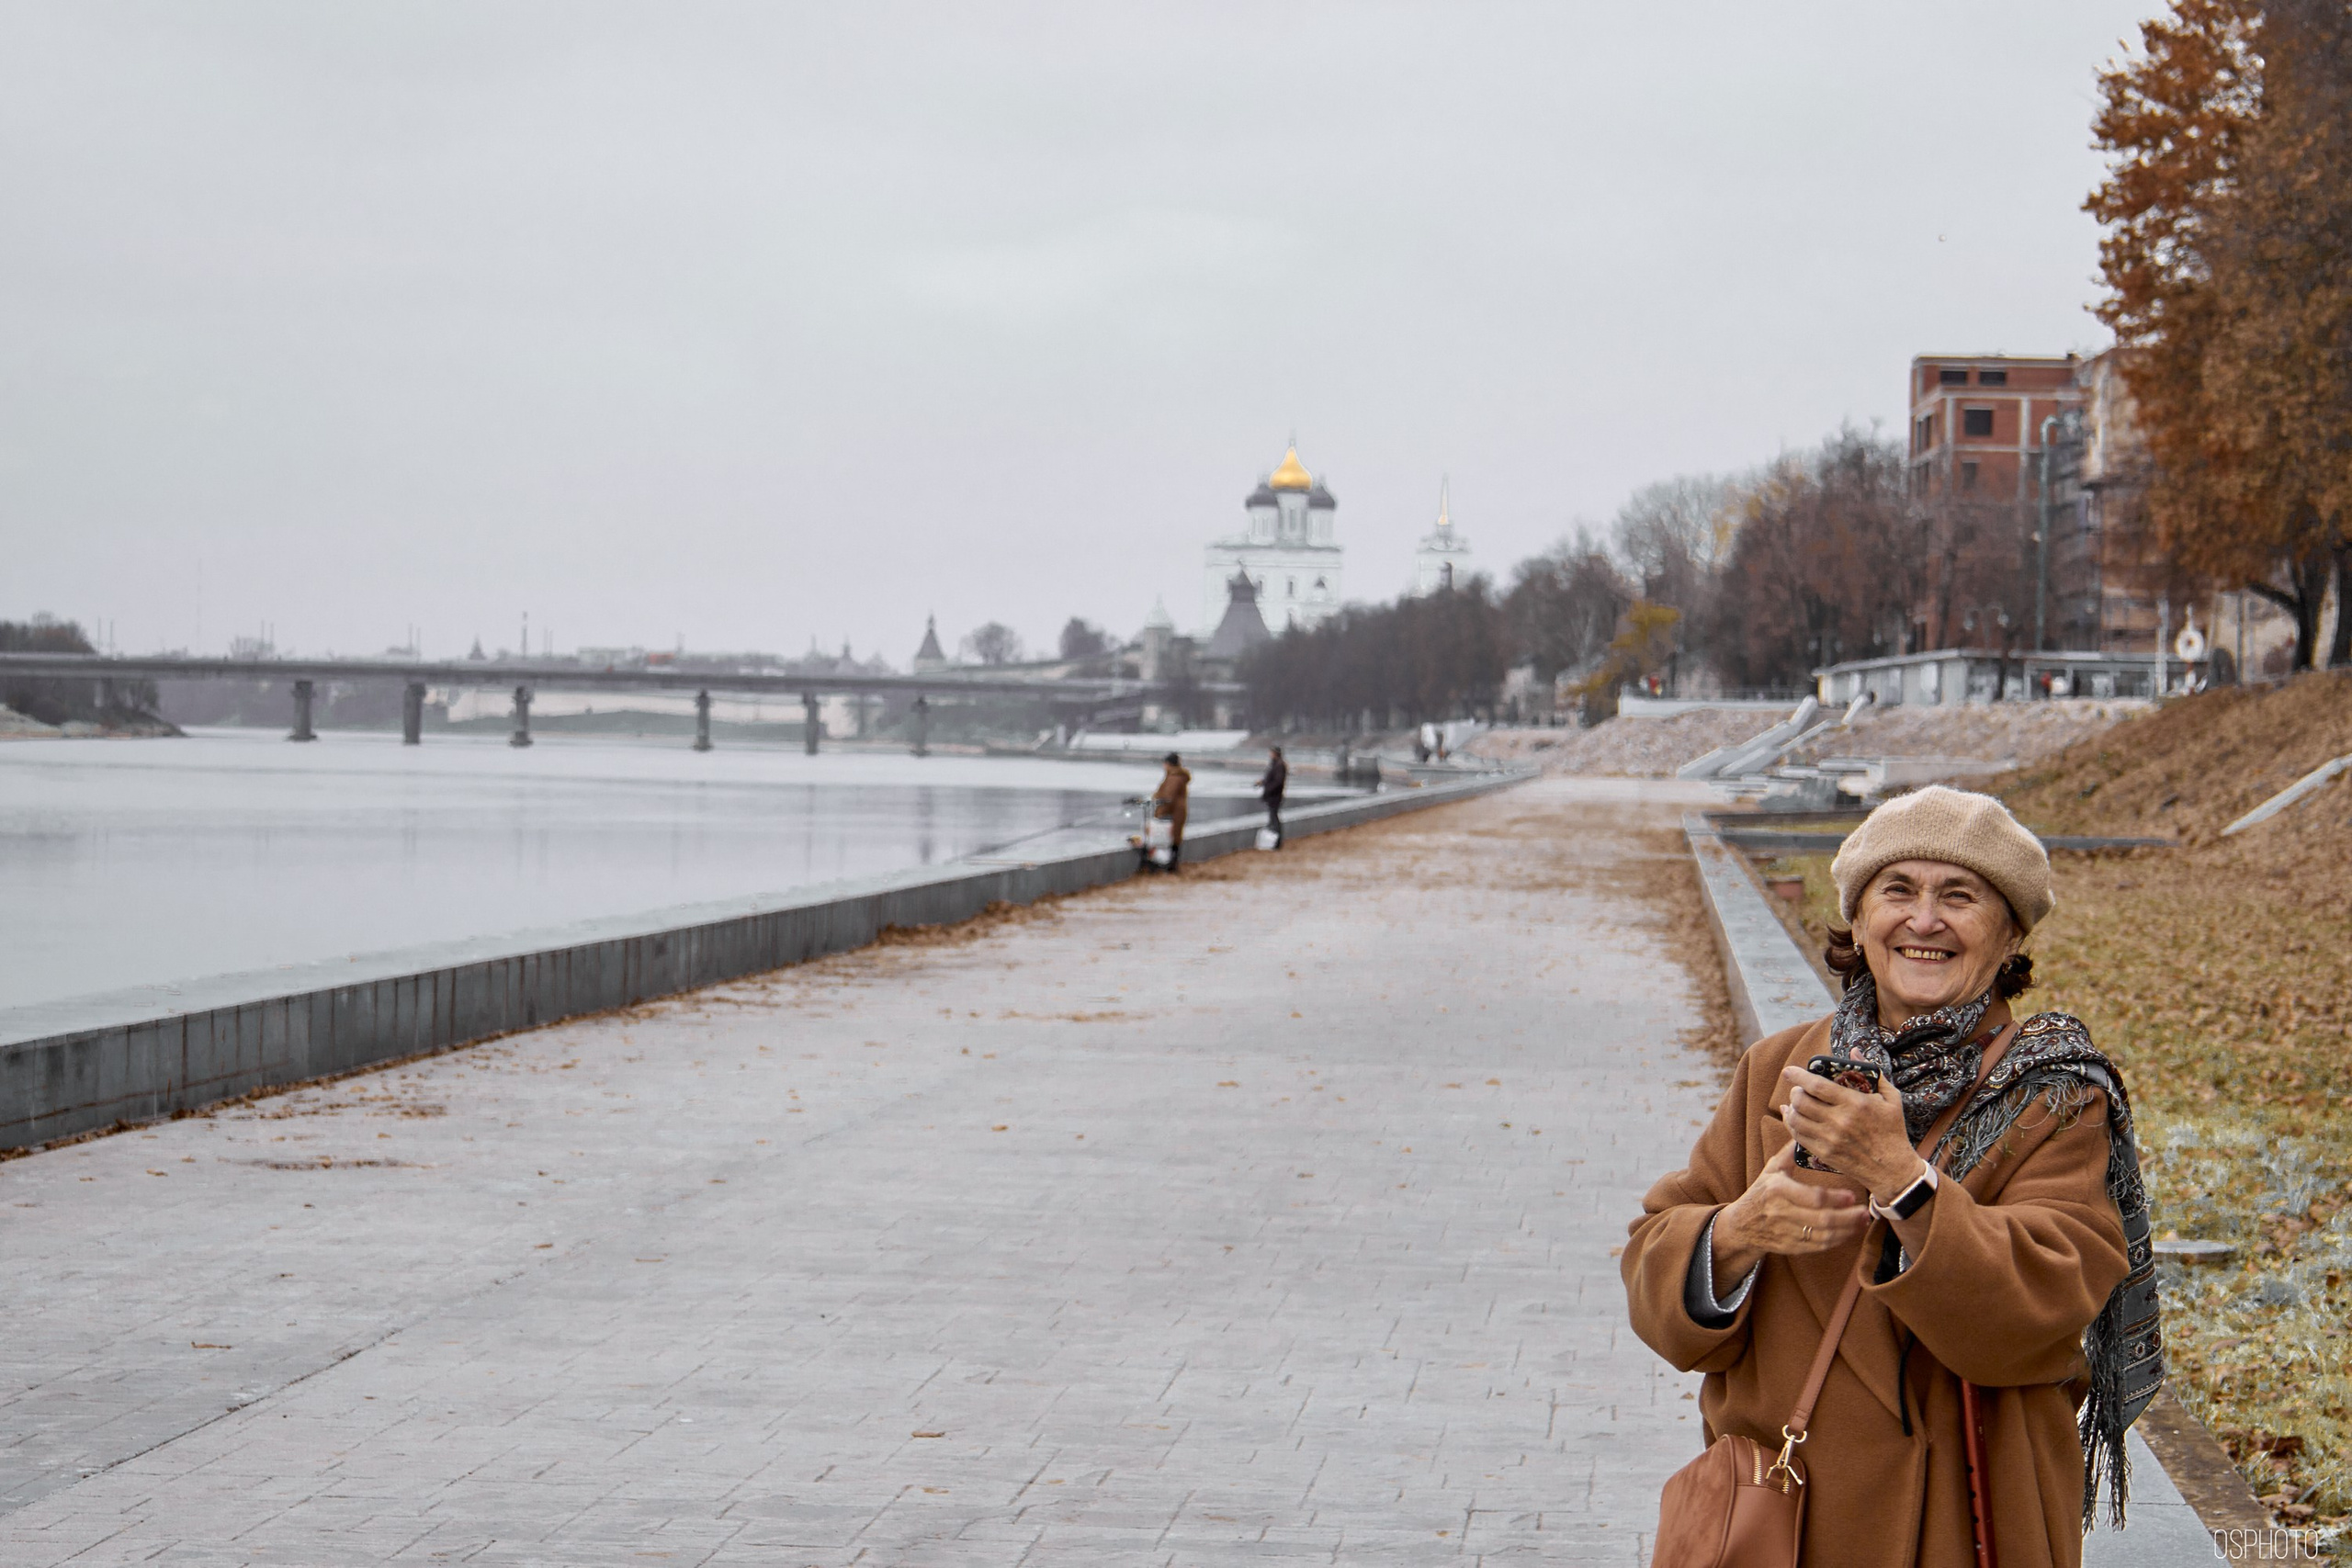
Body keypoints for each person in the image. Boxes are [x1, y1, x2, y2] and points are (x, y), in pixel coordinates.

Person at [1621, 785, 2160, 1568]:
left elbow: (2044, 1308)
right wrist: (1735, 1234)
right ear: (1860, 919)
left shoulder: (2055, 1093)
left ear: (2009, 932)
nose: (1925, 920)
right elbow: (1651, 1271)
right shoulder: (1780, 1068)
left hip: (1968, 1524)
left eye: (1960, 896)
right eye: (1897, 890)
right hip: (1789, 1521)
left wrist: (1903, 1181)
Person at [1147, 752, 1190, 871]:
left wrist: (1159, 811)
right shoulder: (1177, 776)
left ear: (1169, 764)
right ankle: (1172, 864)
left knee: (1170, 839)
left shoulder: (1173, 778)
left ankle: (1170, 865)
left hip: (1171, 813)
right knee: (1175, 838)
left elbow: (1167, 797)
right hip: (1178, 812)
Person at [1257, 746, 1287, 846]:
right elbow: (1271, 778)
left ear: (1275, 753)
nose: (1270, 754)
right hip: (1272, 795)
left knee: (1274, 817)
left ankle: (1276, 842)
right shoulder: (1275, 764)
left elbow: (1278, 781)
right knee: (1272, 817)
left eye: (1271, 752)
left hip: (1275, 796)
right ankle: (1273, 840)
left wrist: (1268, 789)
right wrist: (1263, 782)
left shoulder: (1279, 765)